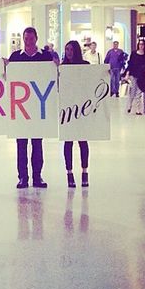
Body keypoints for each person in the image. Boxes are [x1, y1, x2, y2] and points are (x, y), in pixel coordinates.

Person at [8, 27, 53, 189]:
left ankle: (37, 176)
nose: (28, 41)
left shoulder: (45, 57)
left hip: (37, 108)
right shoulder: (15, 57)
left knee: (37, 144)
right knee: (21, 145)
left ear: (36, 38)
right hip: (20, 109)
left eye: (31, 38)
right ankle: (23, 177)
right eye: (26, 38)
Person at [61, 40, 90, 188]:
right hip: (67, 109)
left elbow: (93, 81)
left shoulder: (85, 65)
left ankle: (85, 171)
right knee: (68, 142)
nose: (69, 52)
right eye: (66, 50)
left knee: (83, 141)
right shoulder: (63, 67)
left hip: (82, 108)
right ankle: (69, 173)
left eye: (71, 50)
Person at [125, 40, 145, 116]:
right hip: (133, 75)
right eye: (140, 44)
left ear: (144, 46)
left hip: (141, 76)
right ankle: (129, 105)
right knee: (133, 91)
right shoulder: (134, 54)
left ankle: (138, 109)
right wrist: (127, 74)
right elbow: (130, 64)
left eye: (142, 44)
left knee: (139, 92)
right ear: (138, 45)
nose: (141, 46)